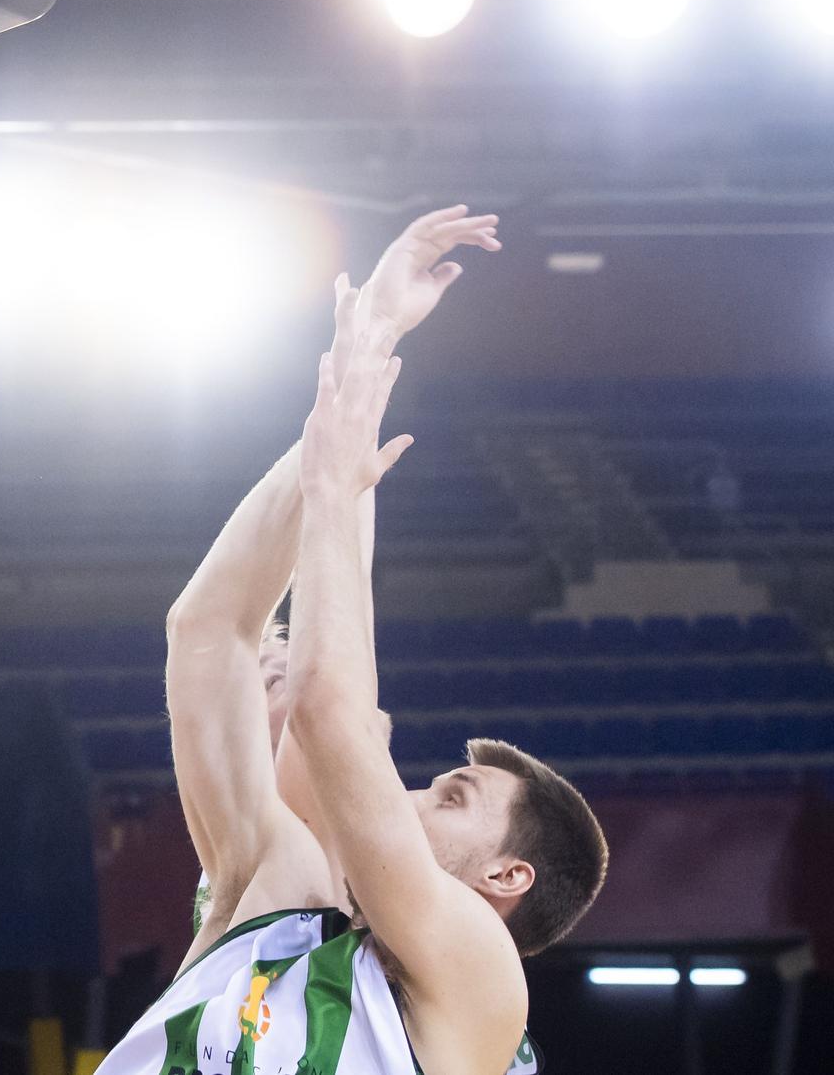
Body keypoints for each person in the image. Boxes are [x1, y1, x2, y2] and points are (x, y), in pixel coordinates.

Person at [105, 208, 606, 1075]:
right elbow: (209, 633)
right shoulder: (280, 889)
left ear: (506, 879)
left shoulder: (480, 988)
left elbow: (328, 709)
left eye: (451, 797)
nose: (407, 795)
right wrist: (361, 356)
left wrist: (337, 486)